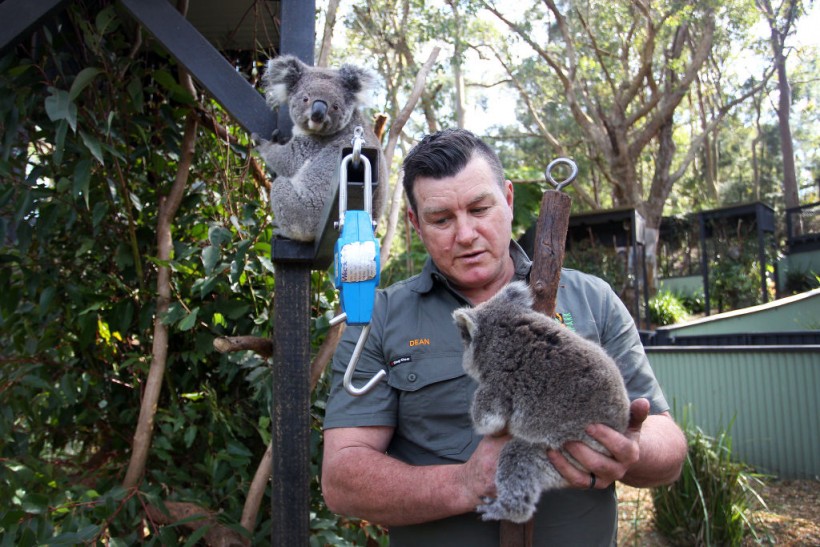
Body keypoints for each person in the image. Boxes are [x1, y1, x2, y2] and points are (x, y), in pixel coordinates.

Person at [321, 128, 687, 546]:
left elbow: (668, 447)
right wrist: (464, 483)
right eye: (442, 219)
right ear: (414, 223)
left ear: (508, 200)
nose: (466, 234)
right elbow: (341, 480)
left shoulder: (591, 299)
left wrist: (631, 450)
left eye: (480, 209)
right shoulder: (381, 317)